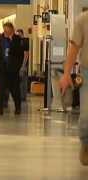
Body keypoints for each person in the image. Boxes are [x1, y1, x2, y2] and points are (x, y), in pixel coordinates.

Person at [60, 11, 88, 166]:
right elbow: (74, 49)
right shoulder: (82, 19)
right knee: (86, 118)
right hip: (87, 72)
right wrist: (66, 74)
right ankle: (86, 143)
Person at [0, 22, 25, 115]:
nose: (6, 32)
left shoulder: (17, 39)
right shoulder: (0, 39)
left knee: (15, 89)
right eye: (5, 29)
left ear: (12, 29)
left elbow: (20, 53)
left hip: (13, 68)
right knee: (0, 89)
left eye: (8, 30)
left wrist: (11, 41)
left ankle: (18, 108)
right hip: (2, 68)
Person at [16, 29, 30, 102]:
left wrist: (23, 65)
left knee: (23, 80)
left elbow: (26, 54)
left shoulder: (24, 42)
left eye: (18, 34)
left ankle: (23, 96)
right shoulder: (18, 42)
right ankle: (21, 95)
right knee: (20, 80)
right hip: (18, 64)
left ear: (21, 34)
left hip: (23, 65)